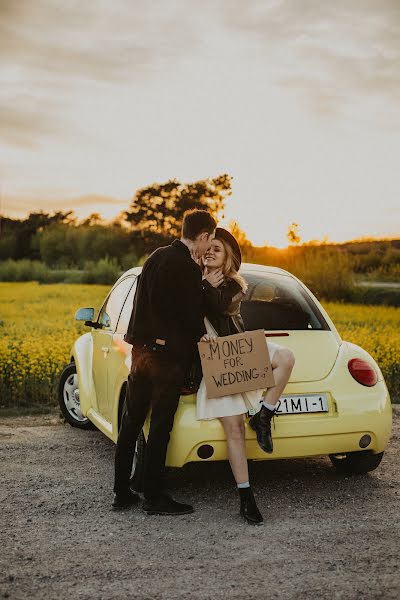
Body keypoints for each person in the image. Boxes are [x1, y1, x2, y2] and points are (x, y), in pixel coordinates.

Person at [113, 209, 217, 515]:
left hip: (140, 353)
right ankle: (154, 497)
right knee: (160, 428)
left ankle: (121, 492)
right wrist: (205, 289)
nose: (208, 246)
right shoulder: (186, 266)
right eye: (209, 240)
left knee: (131, 424)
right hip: (167, 359)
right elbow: (189, 316)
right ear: (202, 235)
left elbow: (145, 304)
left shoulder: (156, 257)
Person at [196, 228, 295, 525]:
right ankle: (246, 498)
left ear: (227, 258)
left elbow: (220, 306)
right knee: (235, 430)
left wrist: (204, 288)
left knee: (286, 357)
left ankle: (264, 414)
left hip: (240, 351)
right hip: (216, 360)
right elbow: (187, 313)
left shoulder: (234, 286)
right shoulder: (193, 283)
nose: (212, 251)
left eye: (218, 249)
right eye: (208, 248)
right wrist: (200, 286)